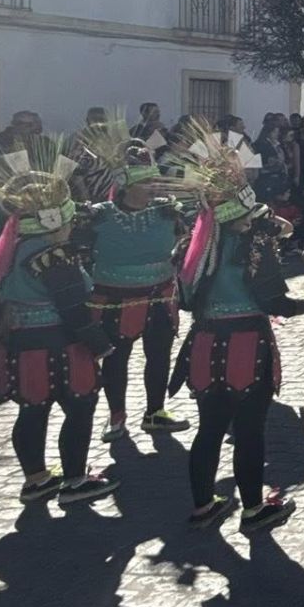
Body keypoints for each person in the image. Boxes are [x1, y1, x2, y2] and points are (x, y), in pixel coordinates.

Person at [0, 144, 116, 504]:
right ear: (56, 221)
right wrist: (99, 343)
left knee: (32, 411)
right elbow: (73, 308)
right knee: (80, 409)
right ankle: (73, 480)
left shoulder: (14, 249)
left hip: (22, 342)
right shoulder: (55, 256)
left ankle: (37, 478)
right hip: (60, 344)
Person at [173, 143, 304, 532]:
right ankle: (254, 508)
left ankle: (204, 505)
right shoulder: (254, 246)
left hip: (205, 343)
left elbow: (185, 300)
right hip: (246, 344)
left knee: (209, 429)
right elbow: (275, 301)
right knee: (249, 430)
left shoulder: (195, 245)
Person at [79, 139, 191, 442]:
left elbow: (192, 236)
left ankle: (155, 412)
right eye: (147, 182)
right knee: (116, 358)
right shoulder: (99, 215)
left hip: (160, 294)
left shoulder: (167, 211)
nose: (155, 187)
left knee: (159, 355)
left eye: (156, 180)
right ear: (127, 185)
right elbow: (77, 251)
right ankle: (117, 417)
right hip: (115, 298)